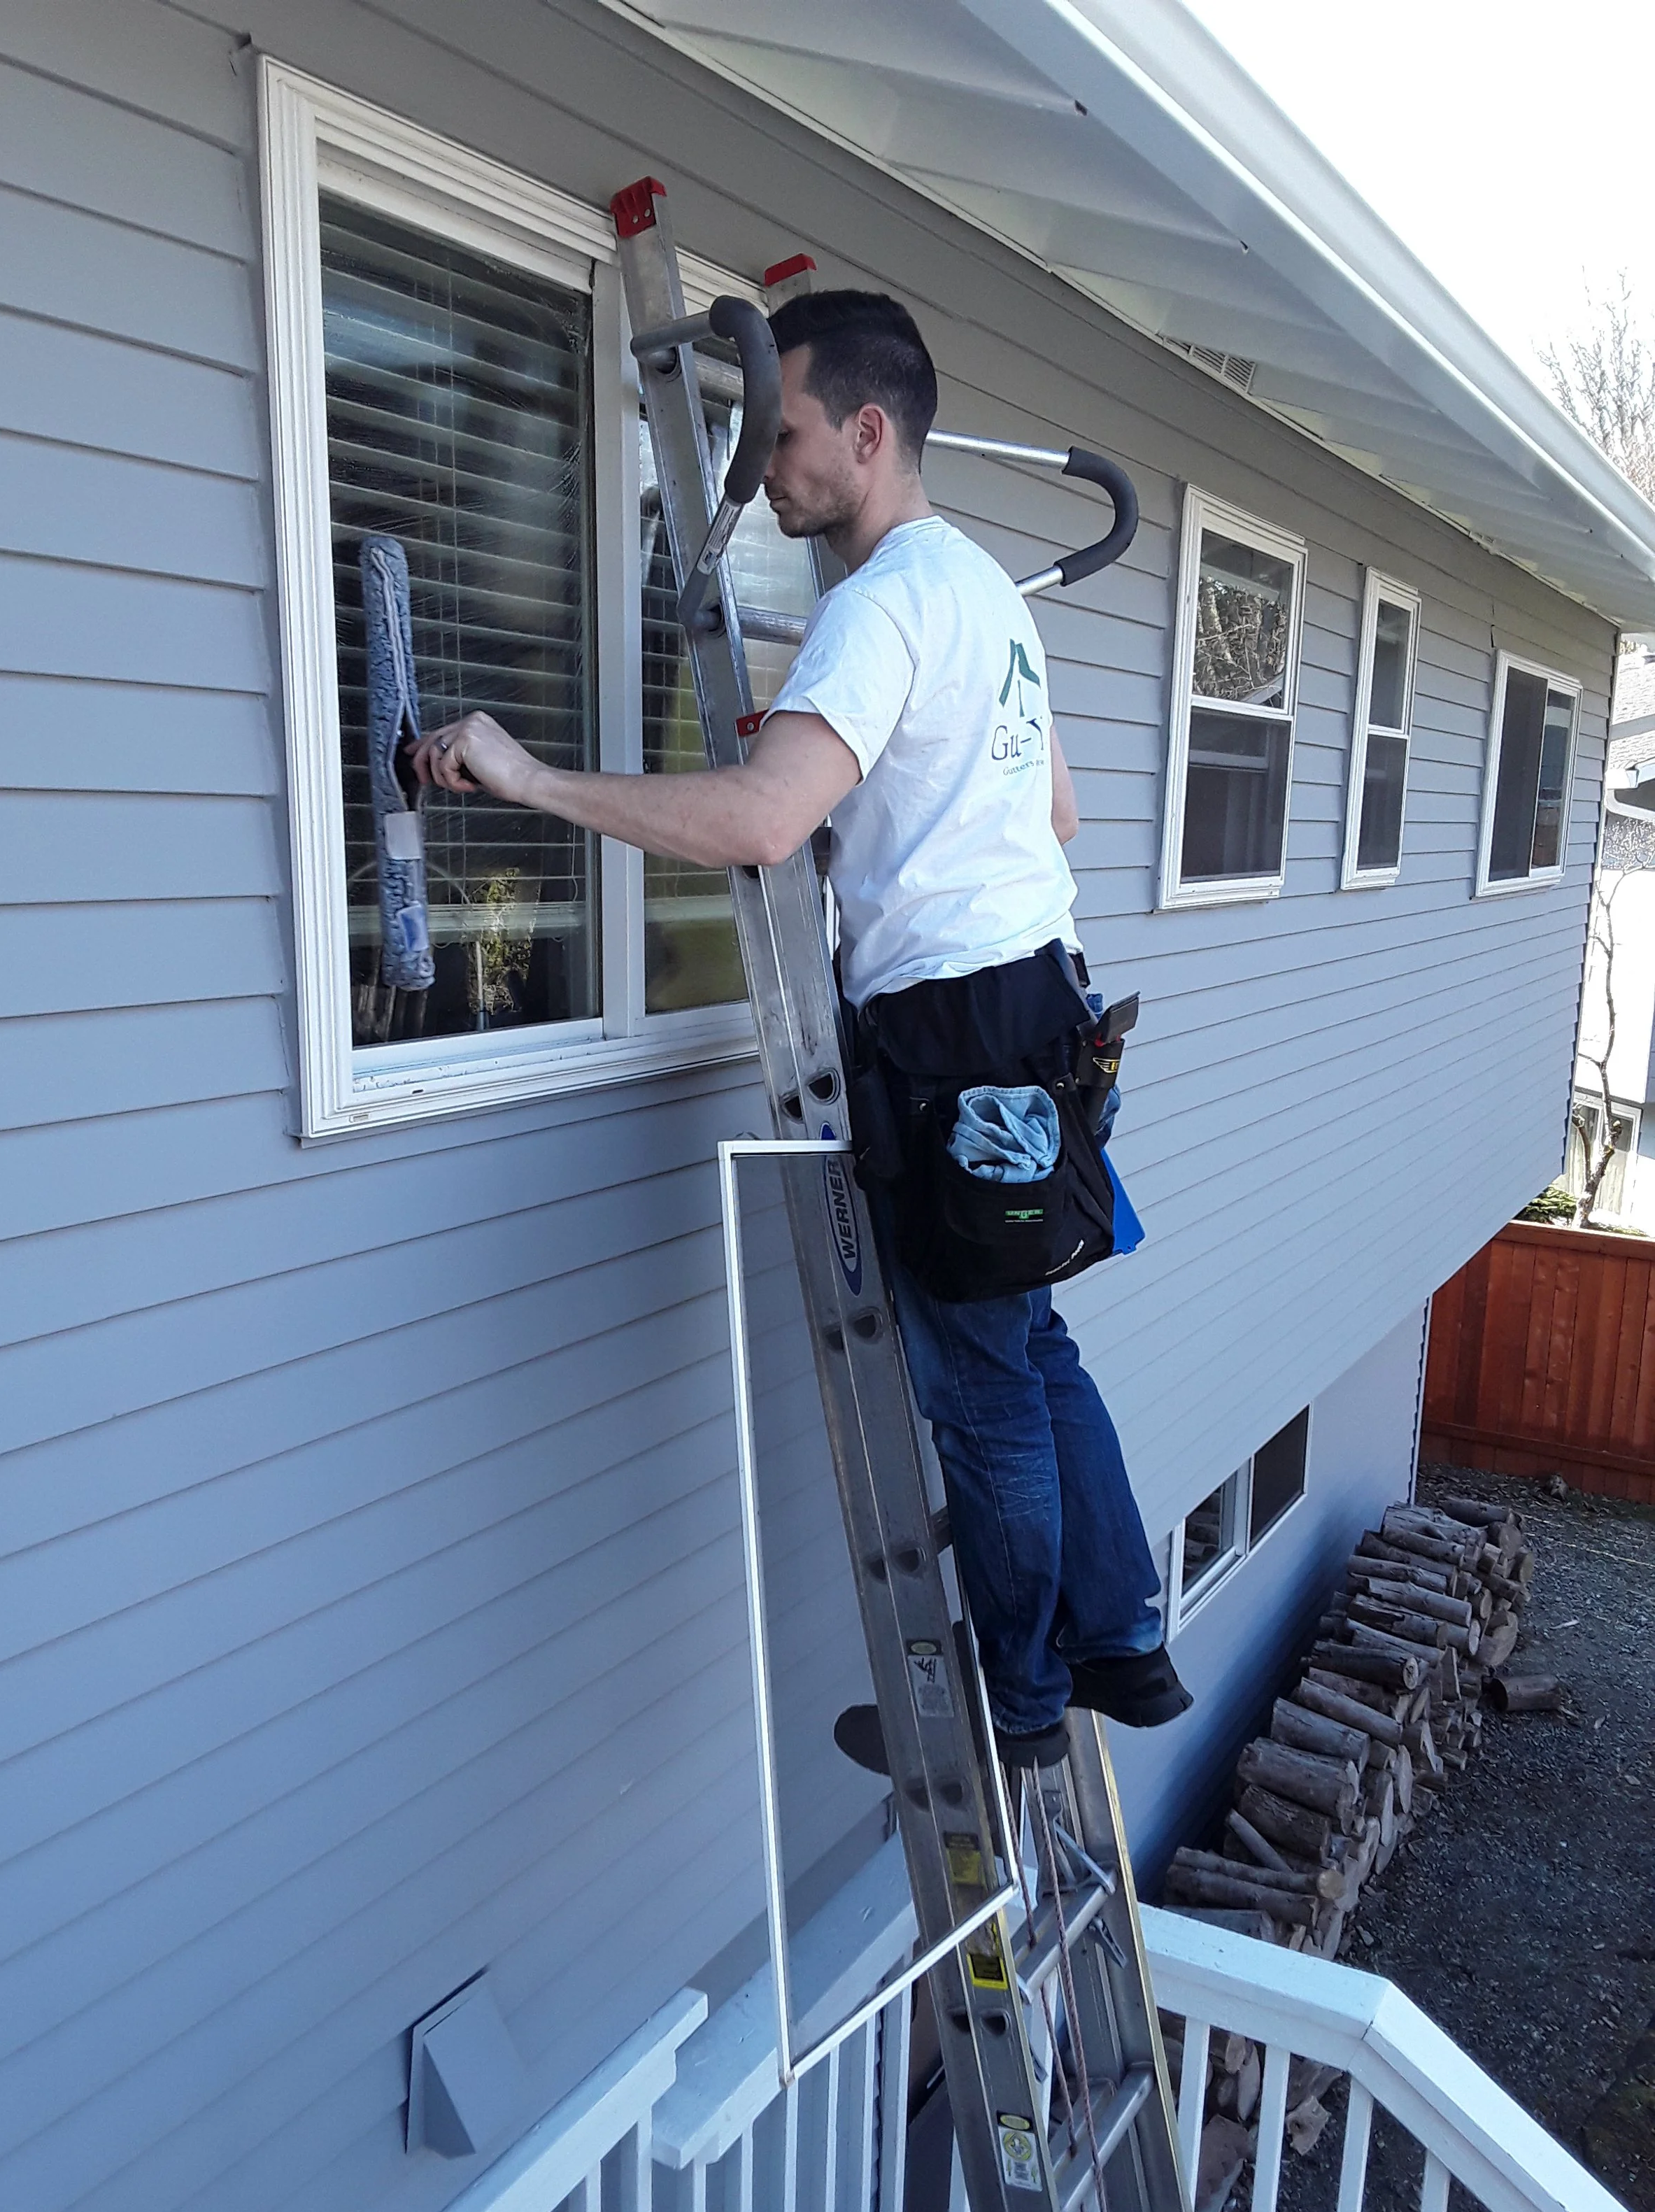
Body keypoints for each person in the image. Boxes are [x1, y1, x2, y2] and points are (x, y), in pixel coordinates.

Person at [413, 288, 1191, 1766]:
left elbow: (766, 823)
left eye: (781, 435)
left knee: (981, 1394)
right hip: (1045, 1011)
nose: (762, 472)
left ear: (868, 431)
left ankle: (1019, 1704)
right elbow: (1059, 811)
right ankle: (1121, 1638)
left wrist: (528, 780)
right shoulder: (976, 594)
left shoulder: (880, 605)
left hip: (957, 1045)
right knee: (1033, 1351)